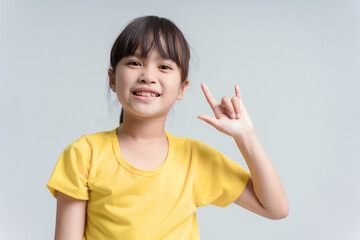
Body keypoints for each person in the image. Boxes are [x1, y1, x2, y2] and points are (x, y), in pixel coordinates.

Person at [46, 15, 289, 240]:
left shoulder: (195, 159)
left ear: (183, 87)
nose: (148, 76)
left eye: (164, 67)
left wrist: (246, 137)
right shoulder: (83, 154)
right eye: (134, 62)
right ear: (112, 79)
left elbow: (276, 208)